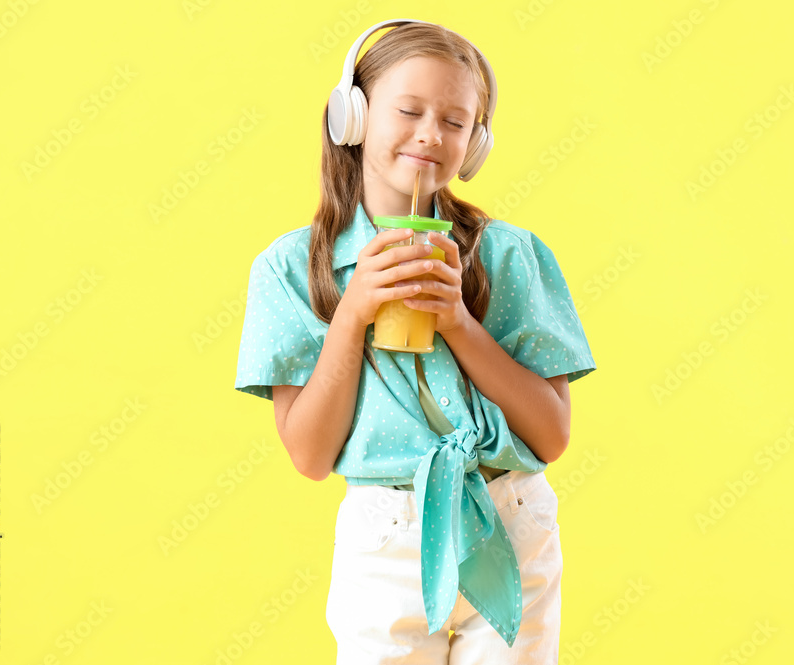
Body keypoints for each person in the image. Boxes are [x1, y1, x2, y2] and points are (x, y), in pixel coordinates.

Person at [234, 18, 596, 664]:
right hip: (386, 538)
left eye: (456, 122)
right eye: (409, 110)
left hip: (511, 520)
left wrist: (457, 319)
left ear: (475, 144)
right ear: (354, 116)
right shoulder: (289, 271)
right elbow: (312, 455)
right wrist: (352, 314)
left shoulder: (509, 256)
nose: (431, 133)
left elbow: (551, 434)